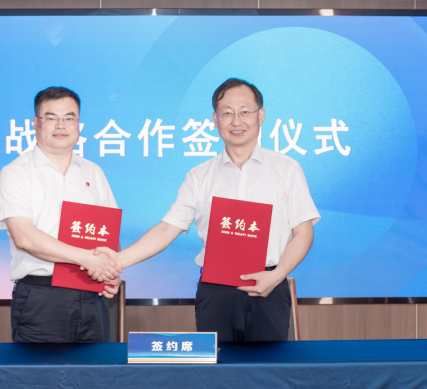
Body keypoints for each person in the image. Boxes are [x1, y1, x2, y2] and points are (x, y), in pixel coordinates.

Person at [103, 78, 320, 341]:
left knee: (269, 366)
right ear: (215, 120)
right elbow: (167, 229)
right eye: (227, 113)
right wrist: (117, 262)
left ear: (260, 116)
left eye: (244, 111)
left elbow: (303, 233)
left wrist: (278, 276)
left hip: (270, 285)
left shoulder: (287, 169)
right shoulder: (199, 176)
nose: (236, 121)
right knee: (216, 366)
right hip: (216, 293)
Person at [0, 86, 121, 343]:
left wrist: (111, 271)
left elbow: (109, 235)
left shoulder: (93, 172)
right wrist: (87, 258)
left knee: (95, 369)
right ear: (36, 123)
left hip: (92, 294)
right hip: (42, 297)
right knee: (42, 370)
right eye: (51, 117)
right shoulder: (16, 172)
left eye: (69, 118)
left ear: (78, 124)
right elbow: (24, 237)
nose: (61, 125)